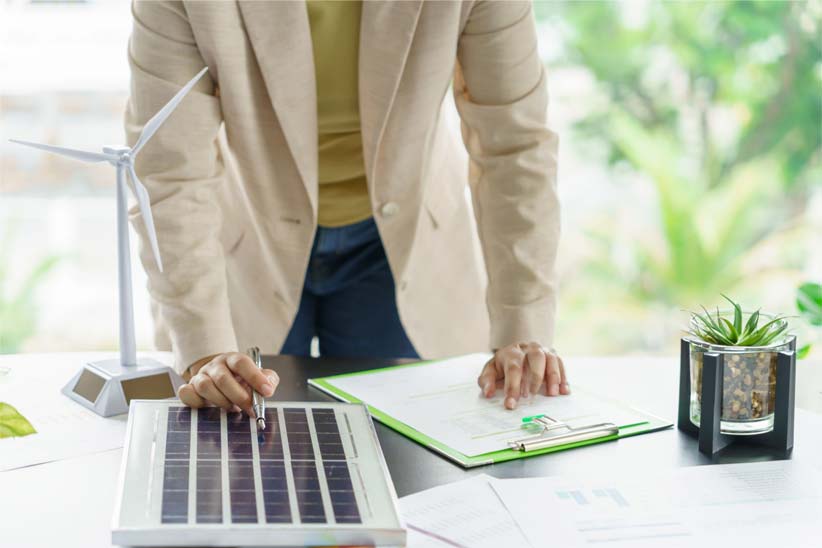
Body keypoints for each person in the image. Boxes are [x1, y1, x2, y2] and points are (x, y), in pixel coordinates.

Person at [126, 0, 569, 416]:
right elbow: (169, 170)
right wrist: (206, 350)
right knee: (249, 466)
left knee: (411, 460)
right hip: (249, 246)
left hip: (405, 244)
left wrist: (522, 327)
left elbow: (514, 147)